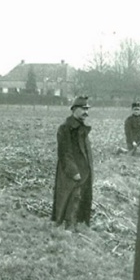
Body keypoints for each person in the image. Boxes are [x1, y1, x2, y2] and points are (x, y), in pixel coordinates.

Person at [51, 96, 94, 231]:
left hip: (85, 171)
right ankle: (69, 227)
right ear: (74, 109)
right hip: (71, 172)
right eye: (83, 109)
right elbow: (65, 154)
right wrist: (74, 172)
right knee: (71, 198)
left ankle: (78, 224)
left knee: (82, 199)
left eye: (87, 109)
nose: (86, 112)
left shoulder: (82, 127)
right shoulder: (65, 128)